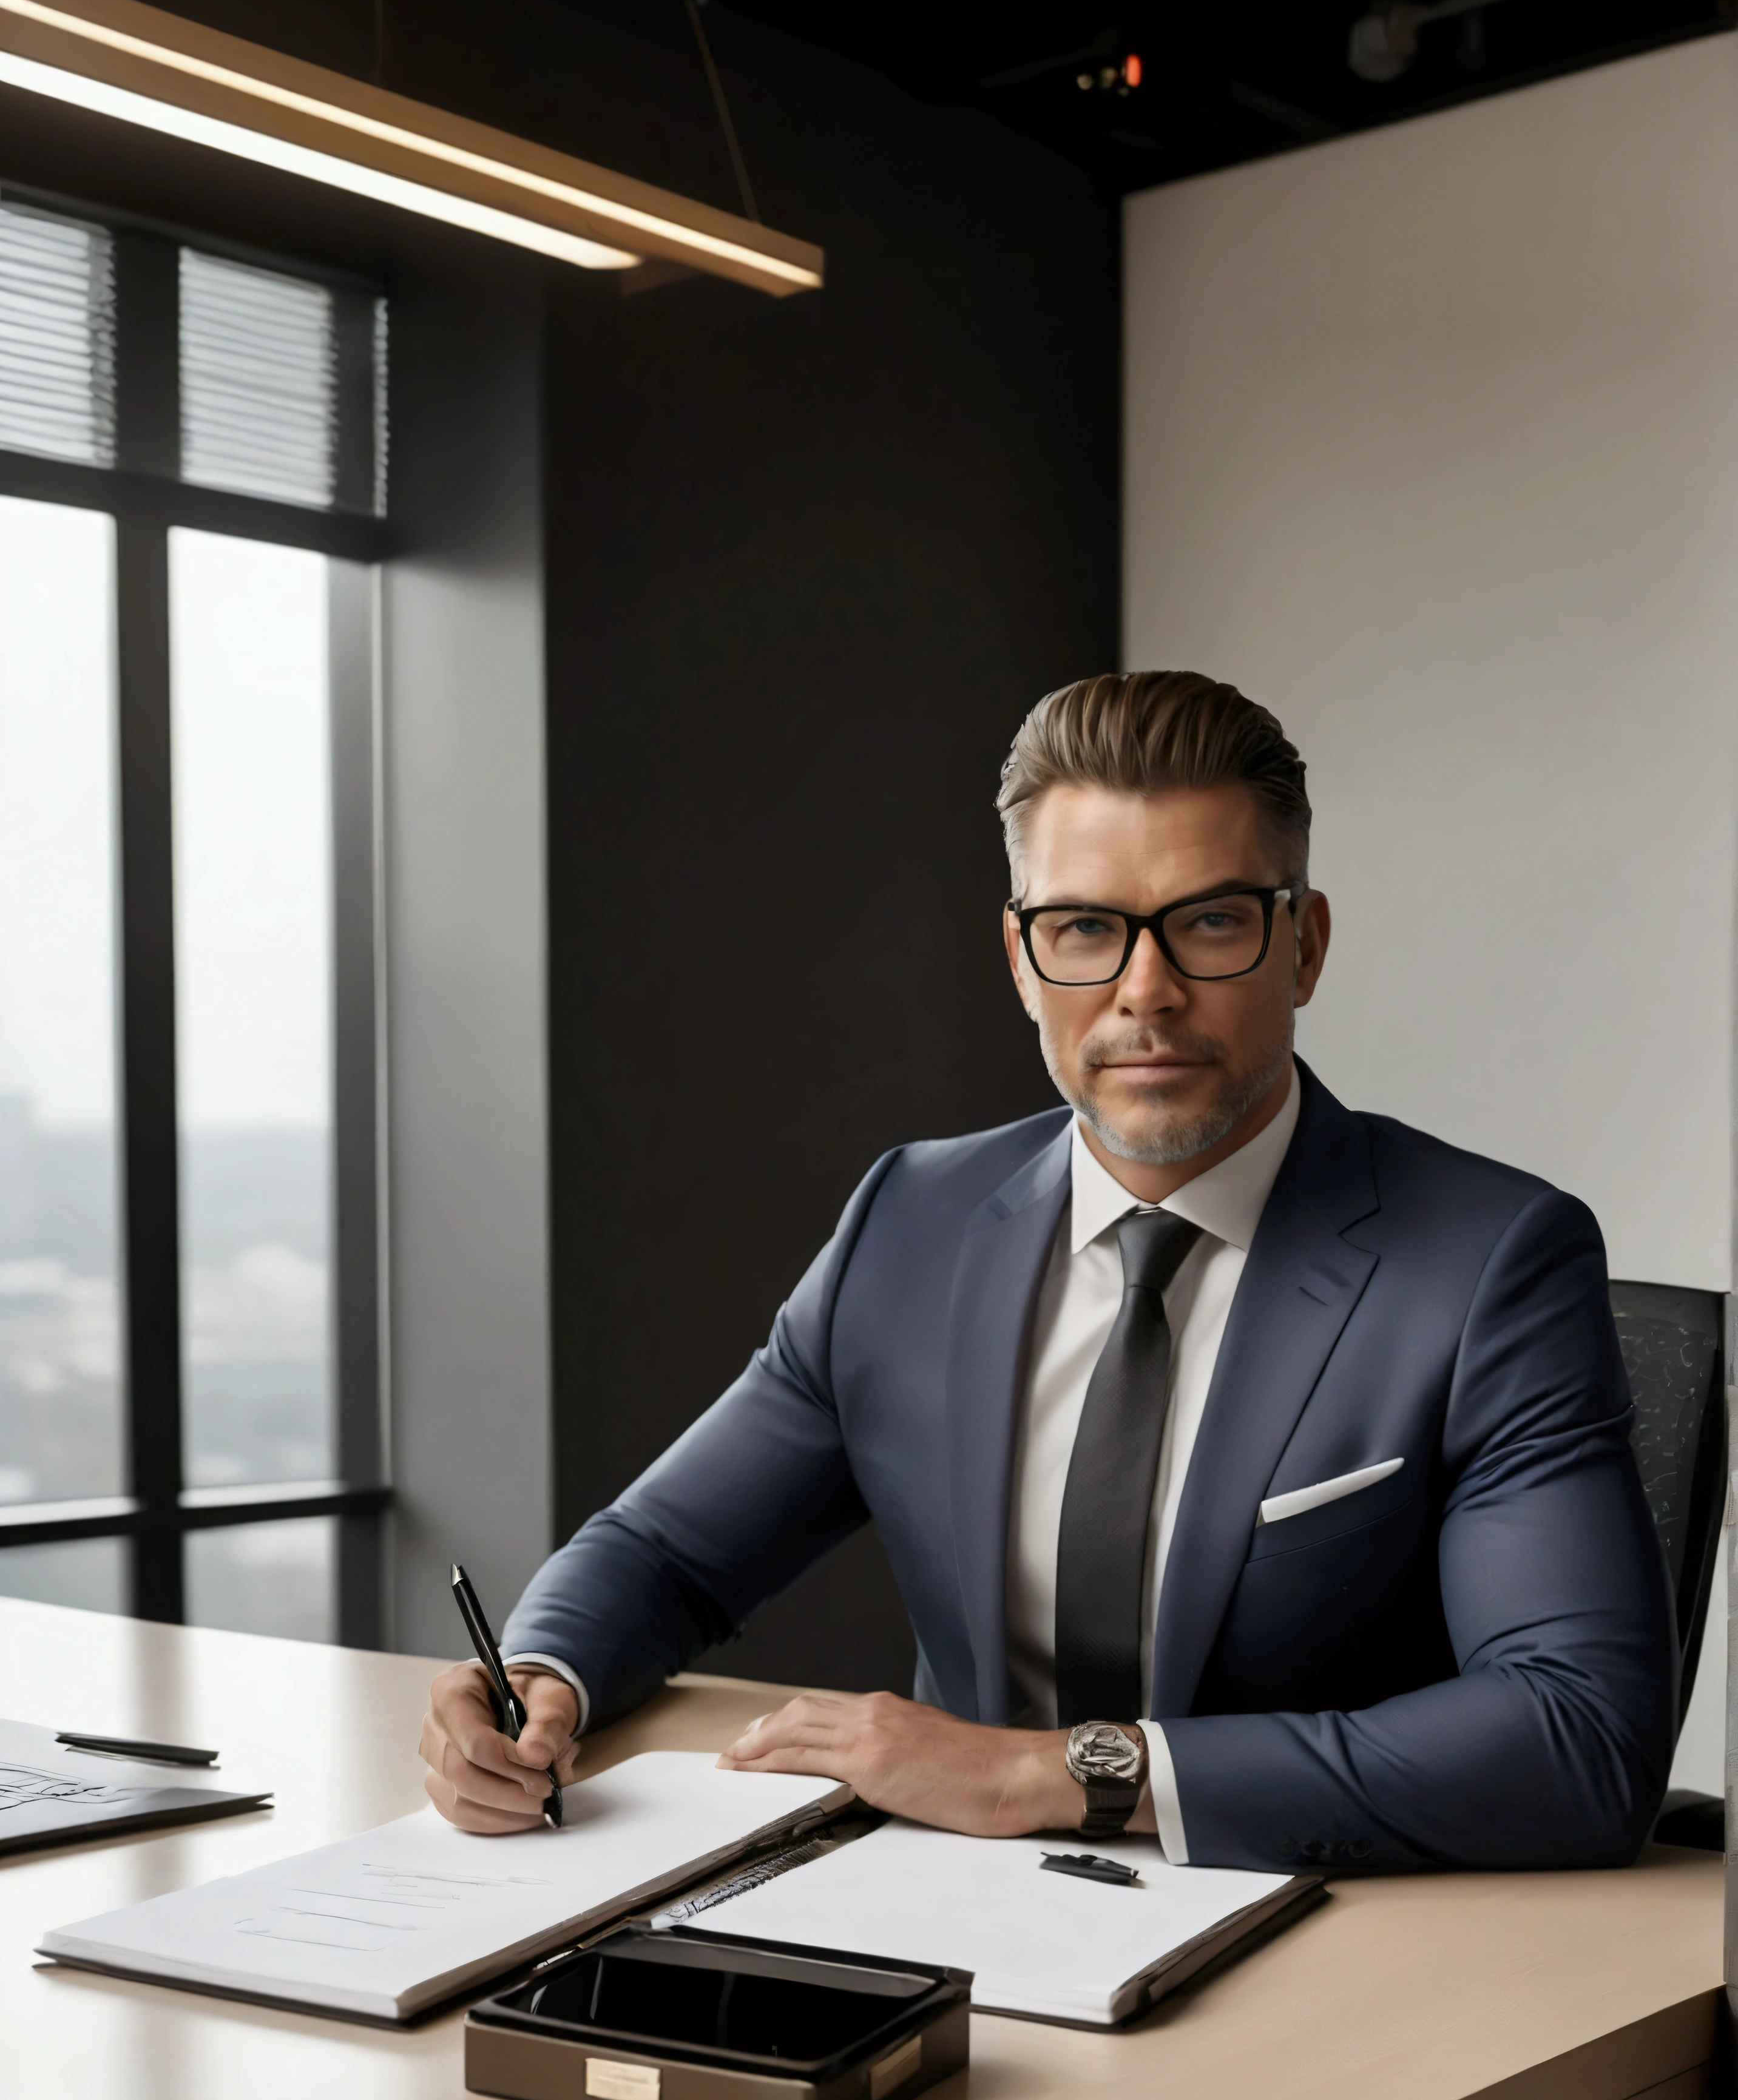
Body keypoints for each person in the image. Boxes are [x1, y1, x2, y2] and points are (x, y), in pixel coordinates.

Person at [420, 670, 1675, 1870]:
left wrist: (1051, 1772)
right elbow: (668, 1551)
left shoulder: (1489, 1261)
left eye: (1212, 923)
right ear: (1021, 959)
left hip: (1313, 1923)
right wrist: (540, 1678)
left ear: (1304, 945)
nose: (1146, 991)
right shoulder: (907, 1221)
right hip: (952, 1924)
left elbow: (1576, 1736)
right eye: (1083, 928)